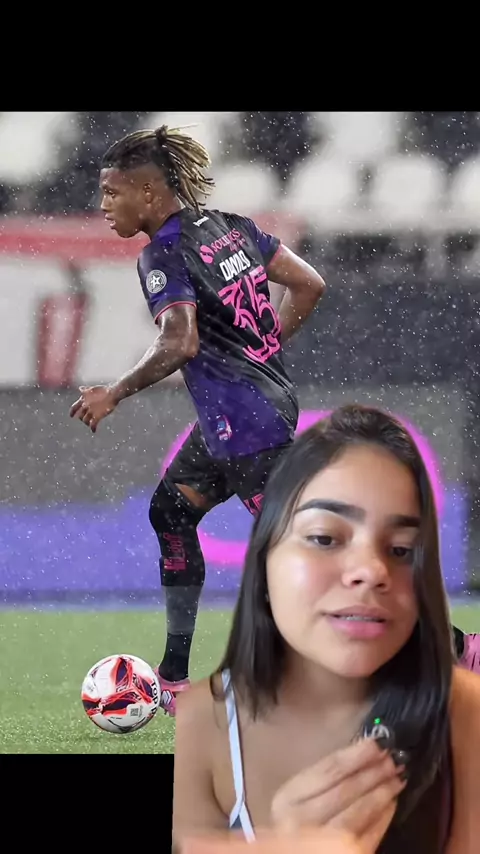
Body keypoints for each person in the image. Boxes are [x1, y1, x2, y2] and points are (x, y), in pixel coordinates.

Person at [69, 124, 326, 716]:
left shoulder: (162, 253)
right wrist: (262, 348)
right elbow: (309, 285)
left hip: (246, 421)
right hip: (246, 410)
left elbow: (178, 341)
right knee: (172, 511)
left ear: (148, 193)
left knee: (307, 555)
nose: (104, 205)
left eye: (112, 192)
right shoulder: (233, 227)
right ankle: (174, 679)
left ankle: (445, 651)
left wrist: (115, 392)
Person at [173, 405, 480, 854]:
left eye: (402, 549)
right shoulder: (206, 722)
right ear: (265, 556)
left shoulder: (464, 713)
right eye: (324, 538)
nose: (369, 570)